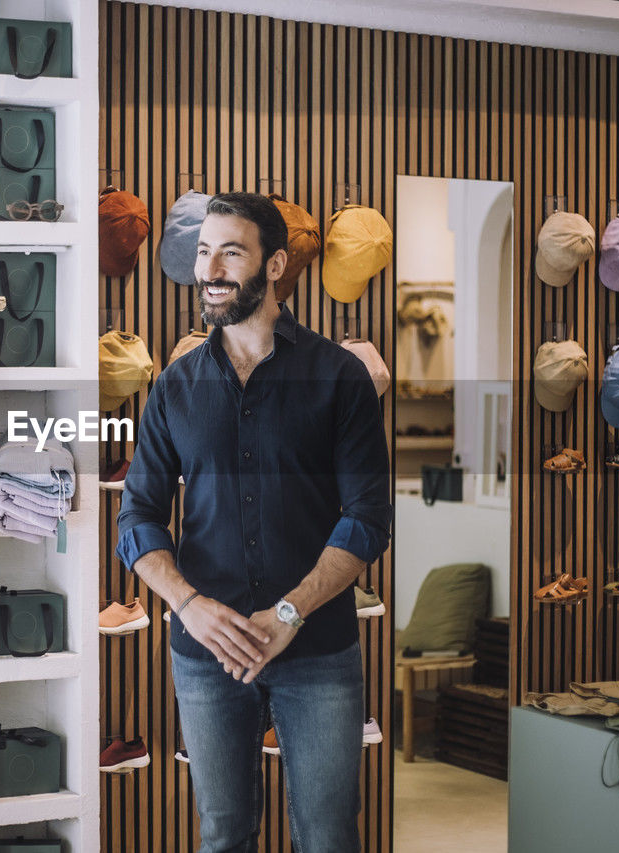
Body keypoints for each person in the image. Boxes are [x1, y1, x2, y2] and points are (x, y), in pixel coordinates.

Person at [117, 192, 392, 851]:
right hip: (207, 653)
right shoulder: (174, 387)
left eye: (230, 252)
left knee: (327, 835)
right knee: (223, 832)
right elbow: (138, 520)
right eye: (204, 251)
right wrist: (189, 606)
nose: (209, 268)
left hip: (317, 649)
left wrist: (289, 613)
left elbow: (368, 518)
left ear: (273, 265)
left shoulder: (339, 376)